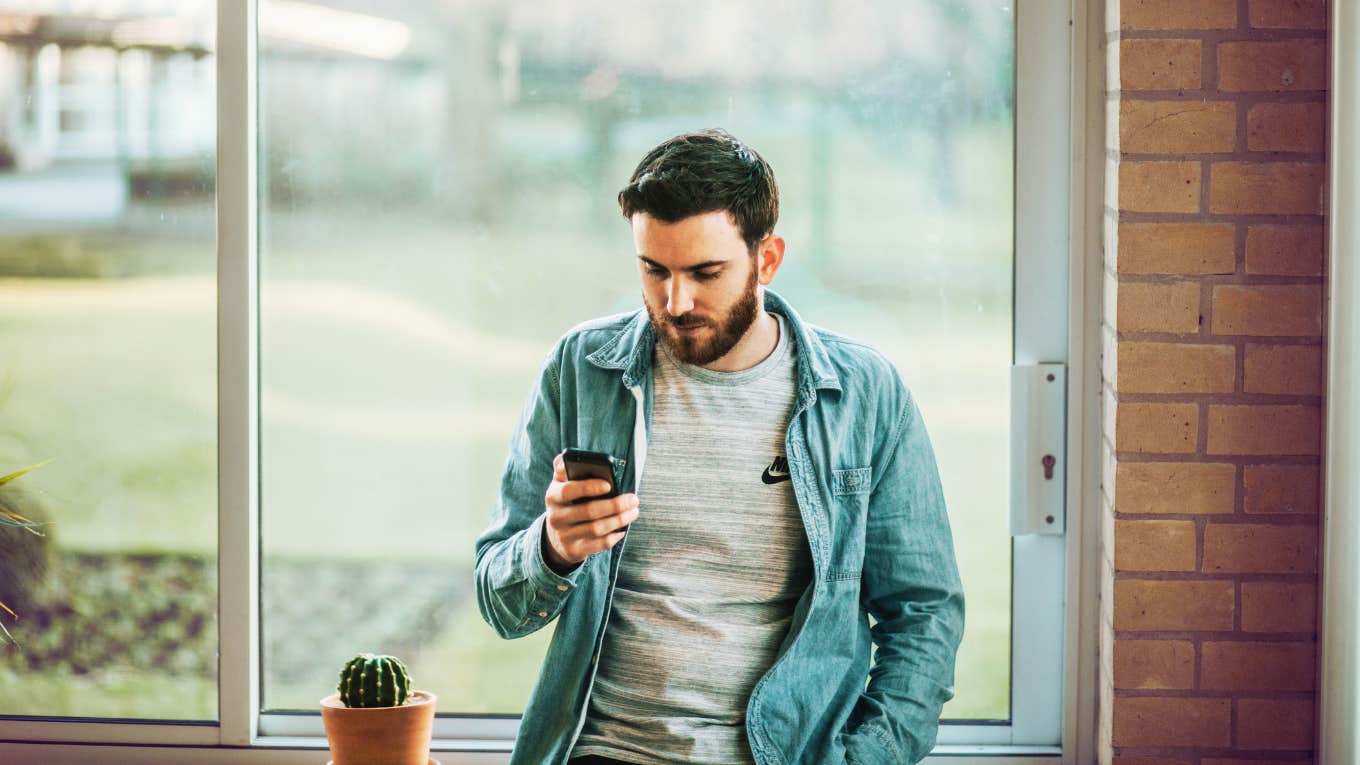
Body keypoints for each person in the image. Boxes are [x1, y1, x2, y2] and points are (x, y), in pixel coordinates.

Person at [474, 128, 964, 765]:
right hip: (604, 752)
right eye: (654, 270)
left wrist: (868, 757)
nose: (676, 302)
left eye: (706, 273)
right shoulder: (579, 369)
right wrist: (555, 547)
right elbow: (499, 603)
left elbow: (923, 614)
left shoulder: (864, 394)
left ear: (767, 260)